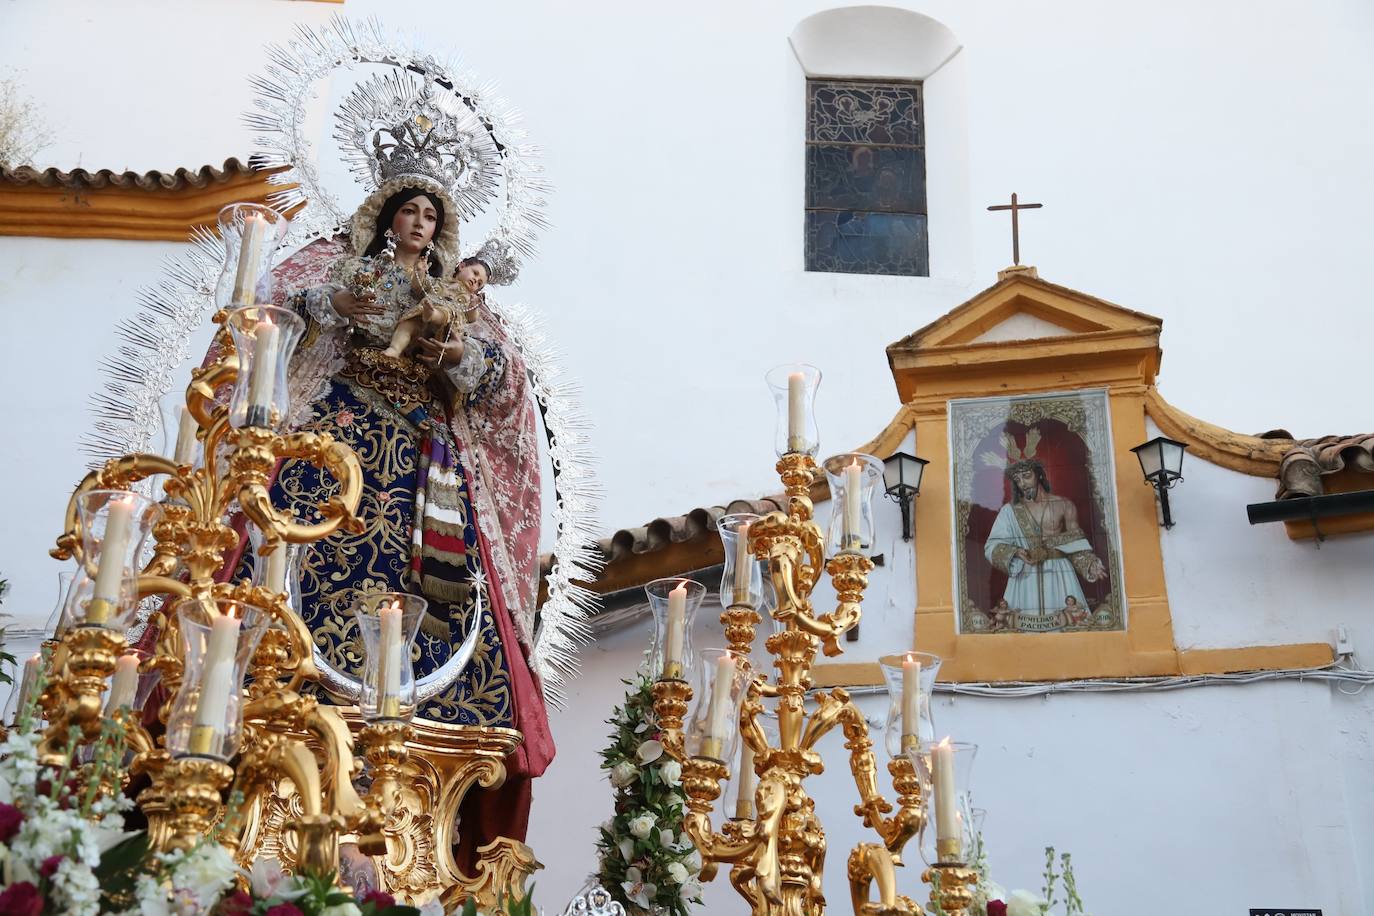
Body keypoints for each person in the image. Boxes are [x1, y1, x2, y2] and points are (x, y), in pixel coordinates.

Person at [220, 114, 552, 857]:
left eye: (432, 215)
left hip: (425, 465)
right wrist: (328, 308)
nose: (419, 223)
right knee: (296, 555)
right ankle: (275, 681)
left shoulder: (461, 297)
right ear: (385, 215)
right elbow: (270, 305)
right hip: (336, 441)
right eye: (410, 210)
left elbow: (502, 379)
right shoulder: (337, 264)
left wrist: (460, 354)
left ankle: (418, 709)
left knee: (430, 579)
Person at [983, 456, 1107, 622]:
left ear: (1039, 475)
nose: (1023, 483)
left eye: (1027, 476)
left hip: (1060, 573)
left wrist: (1089, 563)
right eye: (1018, 480)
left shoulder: (1064, 505)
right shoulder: (1010, 511)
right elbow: (992, 545)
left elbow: (1075, 543)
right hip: (1025, 575)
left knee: (1070, 625)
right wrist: (1015, 552)